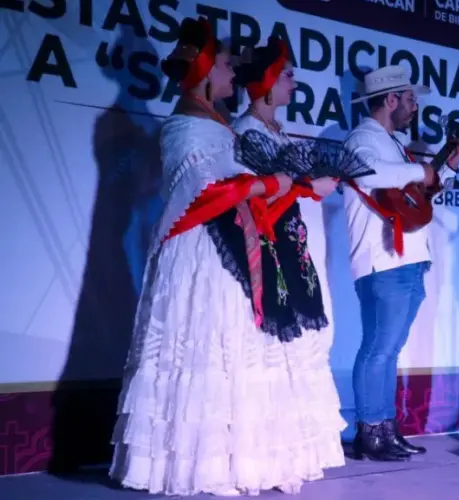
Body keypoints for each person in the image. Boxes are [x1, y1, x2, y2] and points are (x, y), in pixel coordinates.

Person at [110, 18, 322, 496]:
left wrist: (277, 187)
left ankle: (235, 457)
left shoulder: (214, 122)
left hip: (229, 242)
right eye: (226, 66)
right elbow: (203, 191)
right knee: (207, 345)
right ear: (205, 71)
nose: (233, 75)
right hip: (202, 247)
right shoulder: (186, 123)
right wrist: (270, 183)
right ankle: (202, 464)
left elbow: (228, 184)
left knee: (234, 347)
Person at [231, 36, 348, 475]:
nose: (295, 83)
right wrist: (303, 186)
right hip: (266, 244)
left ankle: (291, 452)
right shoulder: (245, 132)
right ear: (264, 82)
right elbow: (250, 200)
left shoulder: (274, 131)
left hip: (292, 240)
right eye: (288, 74)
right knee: (270, 348)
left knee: (302, 345)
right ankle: (262, 456)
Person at [342, 65, 459, 461]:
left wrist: (444, 168)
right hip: (383, 260)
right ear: (390, 99)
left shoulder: (393, 142)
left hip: (408, 259)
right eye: (411, 98)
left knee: (389, 349)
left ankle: (385, 428)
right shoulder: (363, 138)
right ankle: (368, 431)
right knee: (378, 347)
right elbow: (370, 172)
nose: (415, 107)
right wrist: (422, 169)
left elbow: (416, 193)